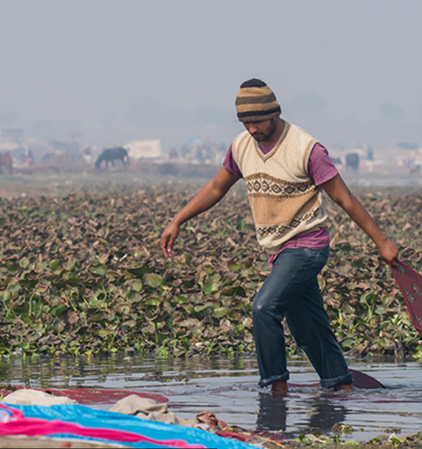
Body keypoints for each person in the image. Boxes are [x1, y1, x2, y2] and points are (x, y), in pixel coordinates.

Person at [161, 79, 398, 395]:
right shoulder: (241, 147)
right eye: (246, 122)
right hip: (279, 251)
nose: (252, 128)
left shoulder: (306, 149)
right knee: (307, 325)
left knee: (264, 307)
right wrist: (178, 219)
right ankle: (341, 386)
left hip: (307, 246)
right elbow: (217, 187)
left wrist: (381, 241)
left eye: (257, 120)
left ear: (275, 114)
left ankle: (276, 391)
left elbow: (345, 198)